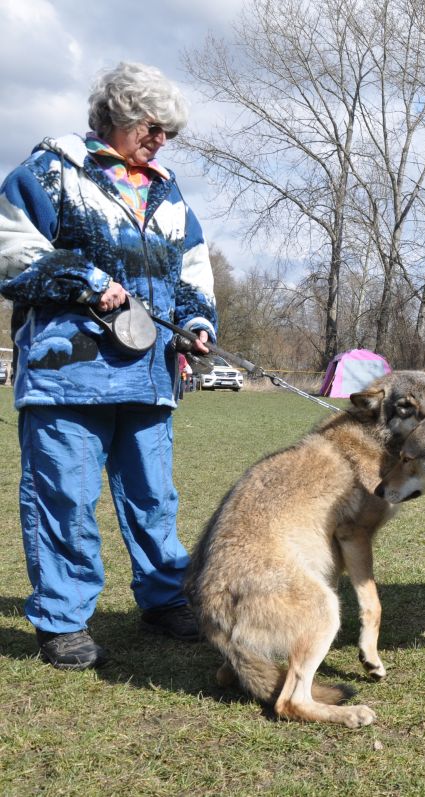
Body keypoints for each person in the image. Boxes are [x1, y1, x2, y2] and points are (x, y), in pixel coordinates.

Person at [0, 62, 217, 670]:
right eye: (153, 127)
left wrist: (198, 325)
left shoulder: (169, 193)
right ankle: (63, 620)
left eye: (169, 132)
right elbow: (11, 251)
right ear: (116, 116)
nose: (161, 140)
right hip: (66, 374)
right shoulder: (49, 171)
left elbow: (193, 270)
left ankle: (165, 598)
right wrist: (87, 280)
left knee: (155, 500)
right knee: (63, 500)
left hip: (150, 377)